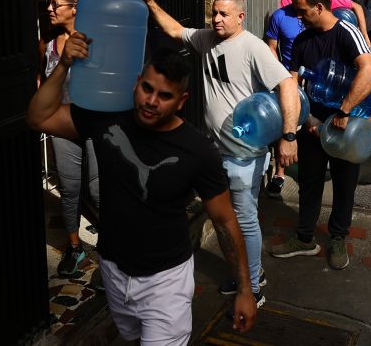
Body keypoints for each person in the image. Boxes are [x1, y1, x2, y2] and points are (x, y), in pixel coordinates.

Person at [27, 48, 258, 343]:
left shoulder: (198, 151)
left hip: (166, 283)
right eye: (147, 88)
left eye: (164, 96)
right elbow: (38, 117)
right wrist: (63, 65)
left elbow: (225, 221)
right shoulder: (107, 119)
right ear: (137, 82)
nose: (151, 101)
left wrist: (245, 290)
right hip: (112, 269)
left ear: (181, 101)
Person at [139, 0, 301, 304]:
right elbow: (174, 30)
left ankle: (252, 288)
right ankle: (251, 272)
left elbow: (286, 84)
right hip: (217, 150)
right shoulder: (206, 39)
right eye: (214, 13)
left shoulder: (252, 46)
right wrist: (151, 1)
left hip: (244, 153)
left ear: (240, 16)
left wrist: (289, 135)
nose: (217, 19)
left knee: (243, 217)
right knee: (227, 217)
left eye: (224, 14)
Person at [268, 0, 371, 270]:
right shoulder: (303, 40)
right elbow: (293, 82)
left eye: (302, 11)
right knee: (309, 182)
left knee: (344, 184)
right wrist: (303, 120)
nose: (298, 17)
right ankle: (305, 238)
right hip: (312, 125)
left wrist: (343, 111)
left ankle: (338, 237)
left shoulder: (347, 32)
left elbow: (369, 70)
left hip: (345, 127)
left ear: (319, 7)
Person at [40, 0, 101, 277]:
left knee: (98, 190)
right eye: (48, 3)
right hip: (62, 127)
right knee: (69, 189)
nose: (49, 9)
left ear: (75, 8)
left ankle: (114, 250)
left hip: (95, 125)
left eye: (55, 4)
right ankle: (75, 248)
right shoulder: (49, 45)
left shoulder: (95, 40)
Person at [264, 0, 310, 199]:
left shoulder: (318, 13)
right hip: (288, 81)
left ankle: (309, 175)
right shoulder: (279, 16)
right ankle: (280, 173)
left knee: (310, 130)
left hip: (314, 81)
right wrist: (280, 74)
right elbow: (271, 47)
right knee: (286, 124)